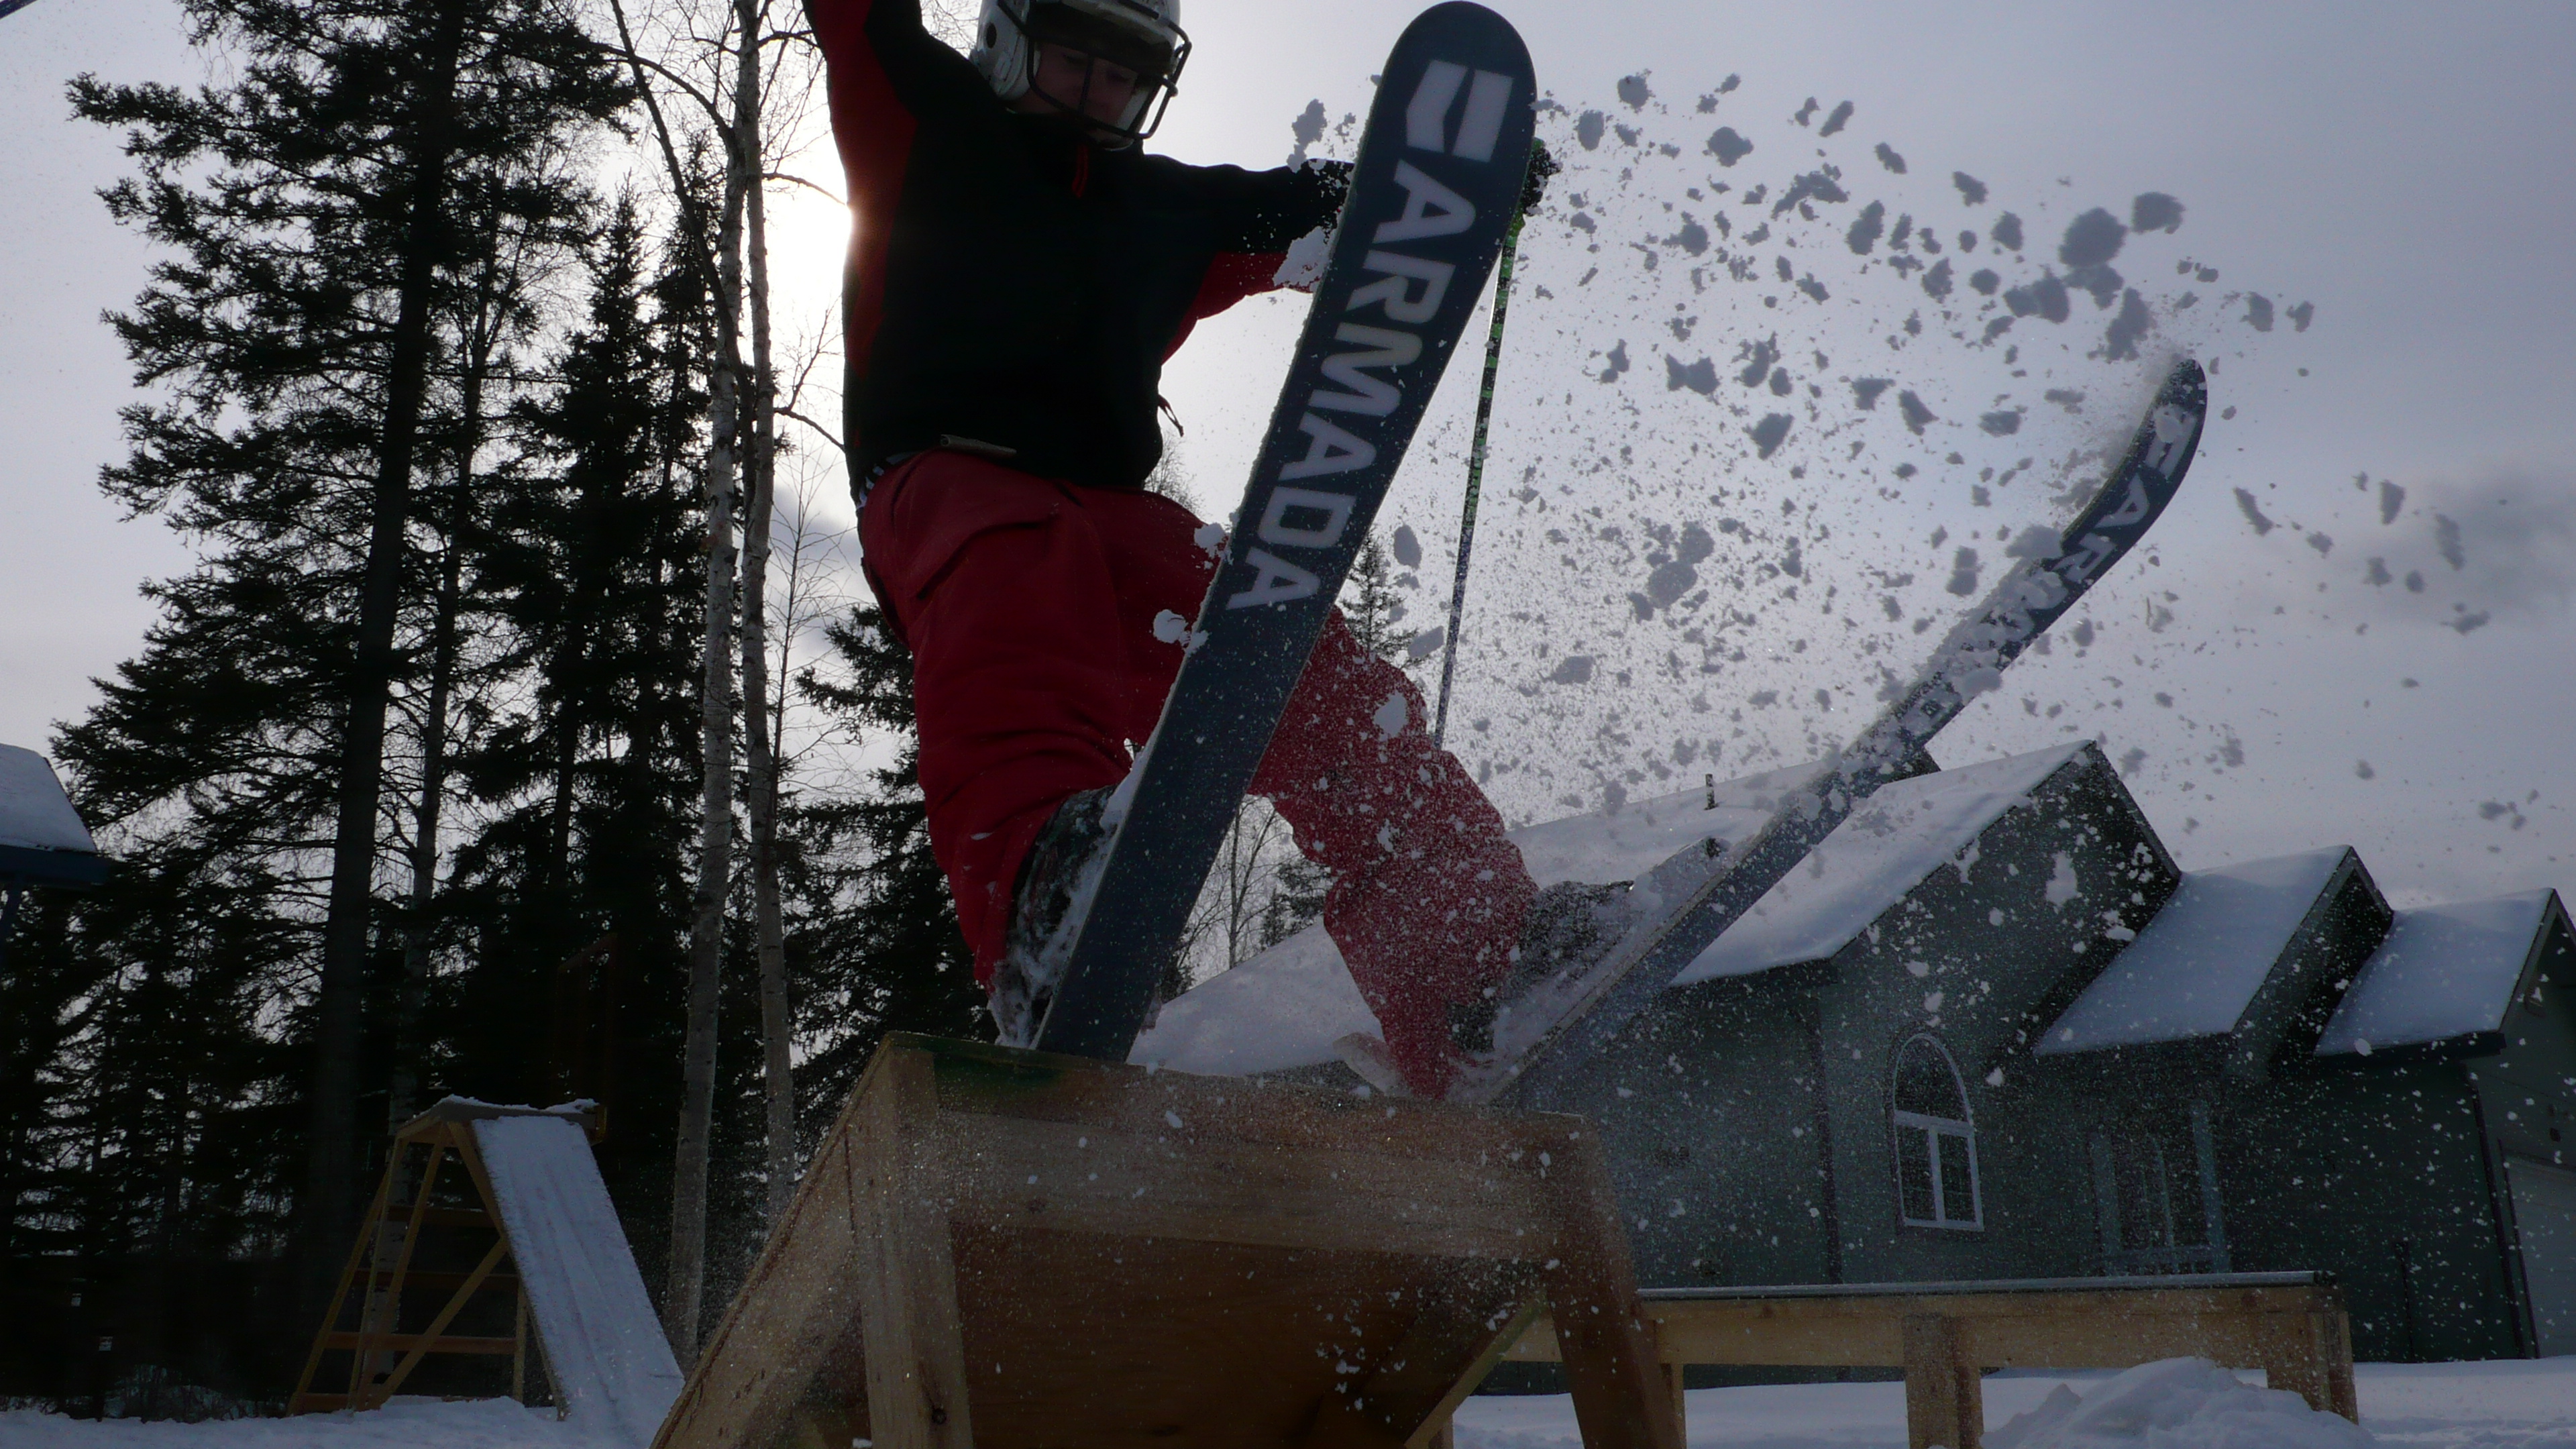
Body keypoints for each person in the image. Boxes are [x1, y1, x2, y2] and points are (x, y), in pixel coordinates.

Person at [808, 0, 1567, 1096]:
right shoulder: (925, 117)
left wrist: (1445, 193)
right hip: (943, 477)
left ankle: (1471, 947)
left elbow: (1299, 211)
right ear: (1009, 37)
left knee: (1275, 644)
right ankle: (1041, 895)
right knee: (1021, 579)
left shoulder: (1163, 206)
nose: (1098, 87)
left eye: (1127, 71)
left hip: (1115, 507)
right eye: (1076, 55)